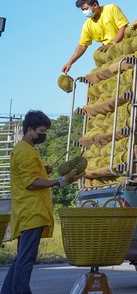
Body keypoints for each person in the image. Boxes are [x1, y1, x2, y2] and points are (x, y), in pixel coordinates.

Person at [2, 110, 82, 294]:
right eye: (41, 131)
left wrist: (42, 169)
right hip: (31, 212)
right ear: (29, 130)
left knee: (21, 258)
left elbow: (29, 175)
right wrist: (60, 181)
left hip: (28, 211)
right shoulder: (25, 152)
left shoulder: (27, 150)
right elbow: (31, 183)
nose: (44, 135)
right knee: (26, 258)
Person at [61, 0, 128, 74]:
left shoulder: (111, 9)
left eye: (86, 9)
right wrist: (70, 62)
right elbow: (82, 46)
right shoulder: (87, 25)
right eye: (83, 10)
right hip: (109, 54)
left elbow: (123, 27)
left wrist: (113, 43)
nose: (84, 12)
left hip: (125, 47)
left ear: (95, 5)